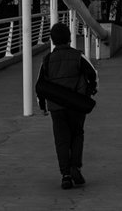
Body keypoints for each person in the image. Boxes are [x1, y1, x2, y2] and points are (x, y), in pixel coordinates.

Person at [36, 23, 98, 189]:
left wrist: (42, 105)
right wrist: (91, 90)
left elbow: (40, 85)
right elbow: (93, 74)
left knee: (61, 140)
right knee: (77, 134)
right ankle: (75, 166)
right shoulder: (79, 56)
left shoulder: (47, 60)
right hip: (76, 104)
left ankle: (65, 175)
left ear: (52, 40)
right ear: (70, 37)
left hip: (56, 106)